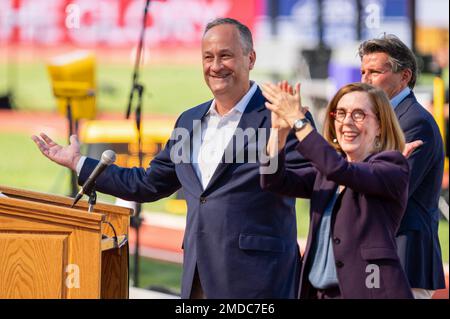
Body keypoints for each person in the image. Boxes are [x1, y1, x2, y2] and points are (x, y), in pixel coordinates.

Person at [32, 18, 314, 299]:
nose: (216, 66)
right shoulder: (189, 121)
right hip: (198, 278)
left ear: (250, 58)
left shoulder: (280, 114)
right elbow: (147, 184)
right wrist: (79, 163)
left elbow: (311, 179)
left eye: (225, 55)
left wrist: (279, 142)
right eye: (208, 57)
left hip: (262, 279)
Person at [260, 82, 413, 299]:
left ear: (380, 125)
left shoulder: (392, 166)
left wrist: (298, 121)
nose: (347, 122)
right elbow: (273, 180)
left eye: (359, 114)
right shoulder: (327, 173)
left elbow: (340, 170)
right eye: (340, 113)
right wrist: (278, 133)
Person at [359, 35, 445, 298]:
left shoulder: (414, 122)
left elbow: (393, 192)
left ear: (404, 76)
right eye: (363, 71)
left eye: (374, 71)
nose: (365, 79)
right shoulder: (385, 118)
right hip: (383, 254)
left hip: (404, 257)